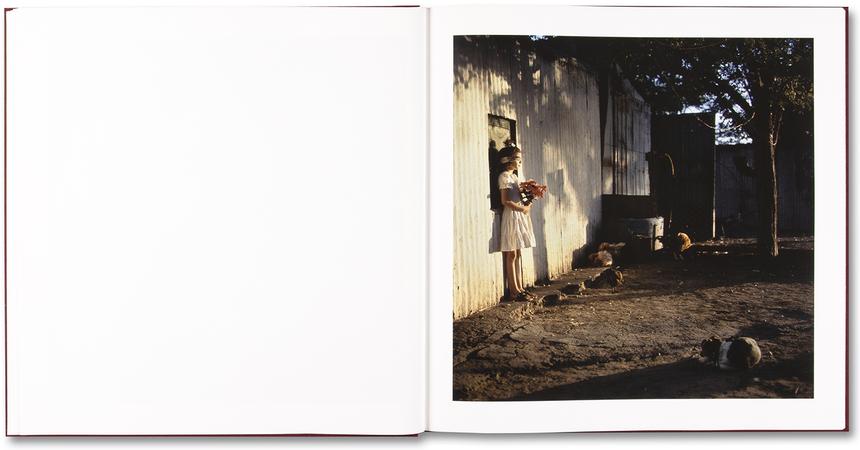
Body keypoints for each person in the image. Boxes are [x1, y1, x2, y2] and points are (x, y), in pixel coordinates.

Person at [497, 144, 537, 301]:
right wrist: (522, 209)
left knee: (518, 252)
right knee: (511, 253)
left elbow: (521, 197)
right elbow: (505, 201)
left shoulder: (514, 177)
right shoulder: (504, 177)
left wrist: (530, 197)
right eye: (517, 159)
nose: (520, 162)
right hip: (512, 216)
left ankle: (520, 288)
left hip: (519, 215)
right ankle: (514, 291)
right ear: (509, 160)